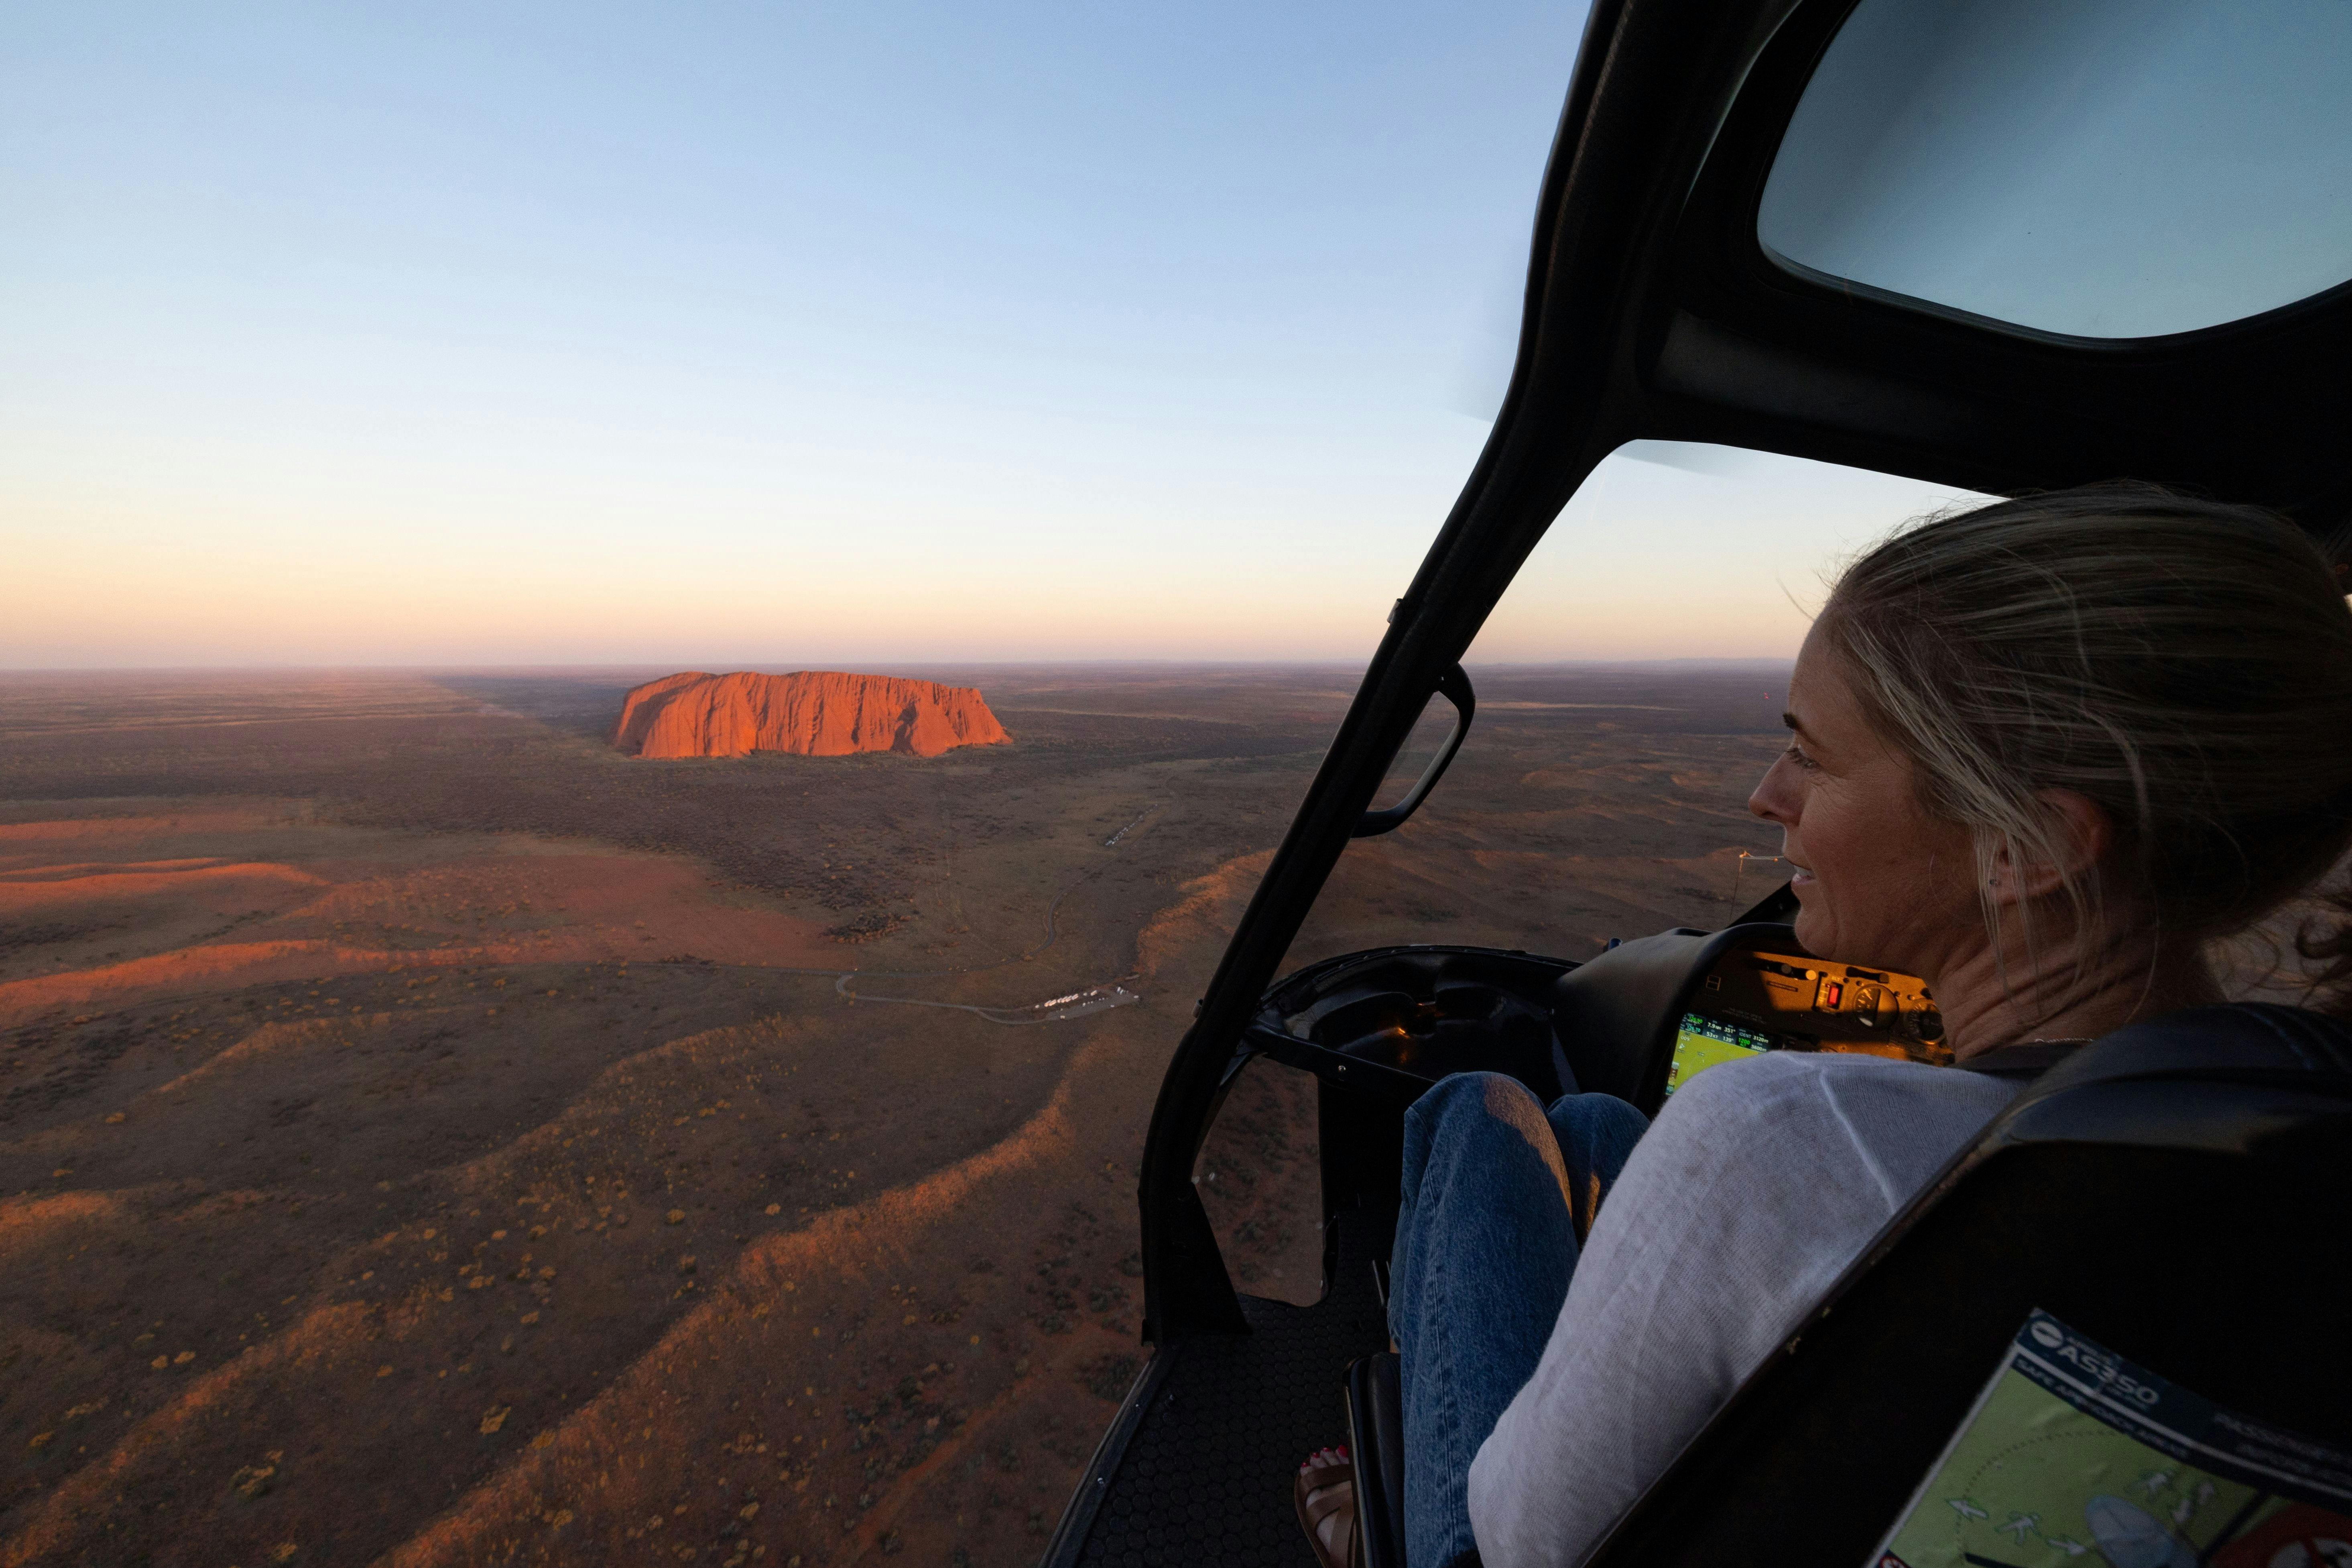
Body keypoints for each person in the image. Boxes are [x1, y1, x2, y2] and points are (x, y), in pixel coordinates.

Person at [1295, 483, 2352, 1568]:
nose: (1768, 792)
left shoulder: (1775, 1138)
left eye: (1813, 752)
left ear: (2030, 844)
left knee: (1481, 1110)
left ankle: (1381, 1518)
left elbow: (1528, 1540)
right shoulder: (2292, 1151)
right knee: (1606, 1127)